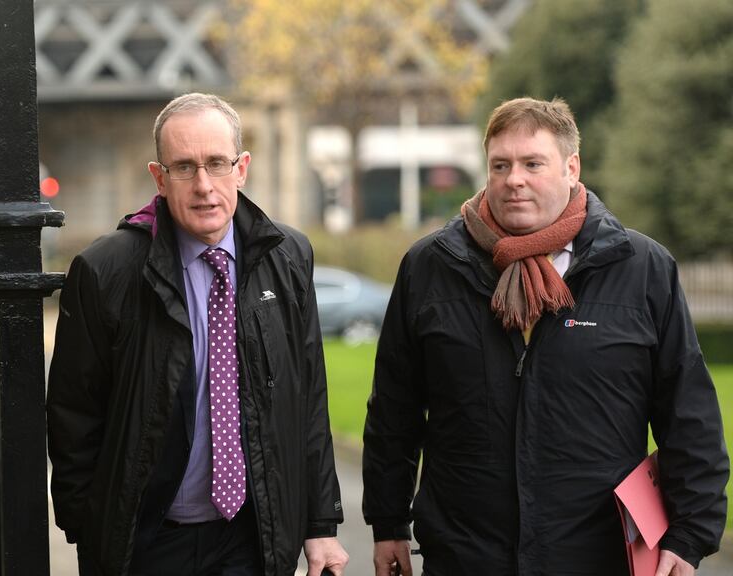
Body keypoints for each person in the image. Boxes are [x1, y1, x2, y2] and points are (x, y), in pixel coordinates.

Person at [362, 97, 728, 576]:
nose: (514, 178)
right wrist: (388, 523)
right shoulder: (430, 267)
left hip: (597, 556)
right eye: (501, 165)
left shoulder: (641, 268)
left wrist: (690, 534)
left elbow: (688, 410)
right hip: (465, 556)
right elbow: (394, 408)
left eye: (533, 163)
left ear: (571, 167)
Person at [47, 93, 349, 576]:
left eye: (216, 163)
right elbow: (73, 418)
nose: (204, 185)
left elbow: (308, 396)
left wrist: (320, 524)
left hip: (253, 539)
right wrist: (91, 530)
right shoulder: (106, 271)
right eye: (185, 167)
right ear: (159, 178)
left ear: (242, 168)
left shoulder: (289, 256)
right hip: (148, 545)